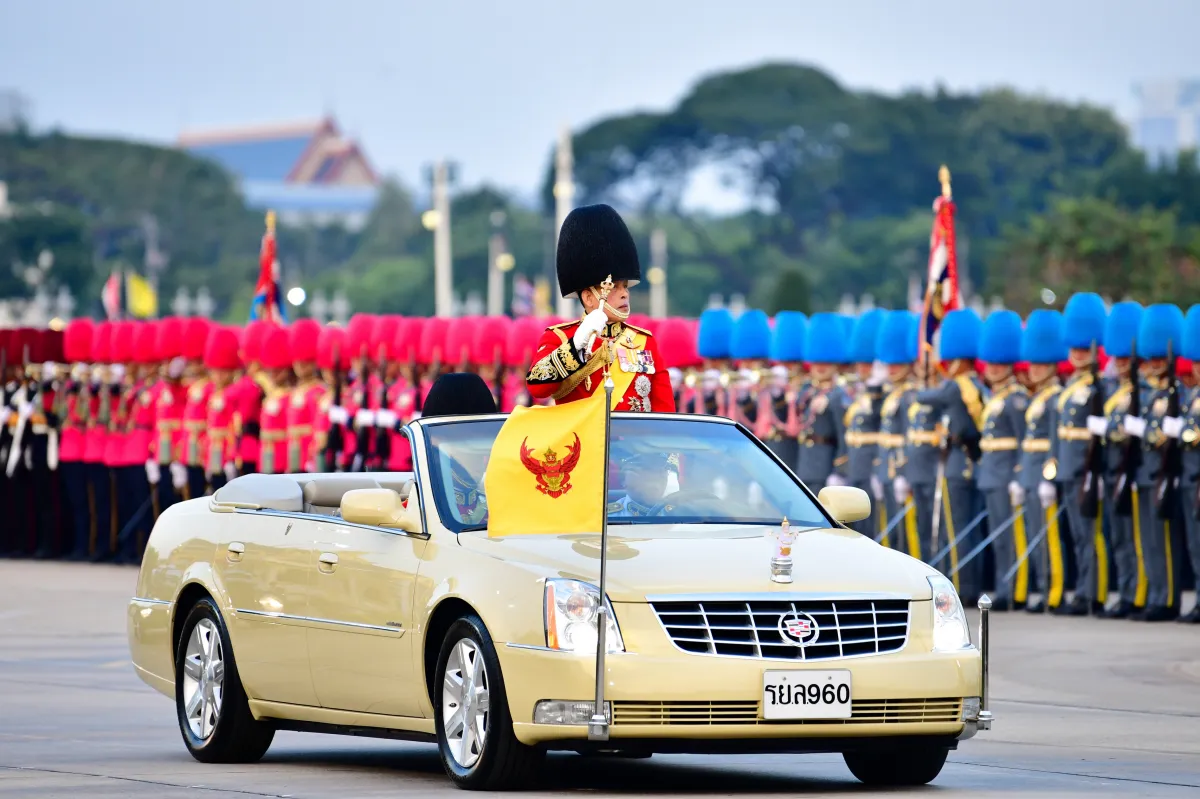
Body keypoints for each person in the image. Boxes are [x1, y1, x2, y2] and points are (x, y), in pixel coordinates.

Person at [526, 204, 674, 412]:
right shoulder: (560, 338)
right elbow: (537, 386)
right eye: (613, 287)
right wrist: (577, 343)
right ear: (588, 297)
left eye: (625, 286)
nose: (624, 293)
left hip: (633, 444)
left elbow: (664, 413)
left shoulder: (645, 342)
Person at [913, 309, 988, 602]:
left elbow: (923, 398)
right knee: (967, 529)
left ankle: (962, 586)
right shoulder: (978, 385)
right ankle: (970, 584)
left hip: (956, 461)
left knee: (956, 531)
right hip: (974, 462)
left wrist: (930, 374)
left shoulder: (955, 385)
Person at [1126, 304, 1186, 621]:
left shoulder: (1177, 394)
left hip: (1165, 473)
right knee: (1149, 541)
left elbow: (1163, 434)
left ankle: (1169, 599)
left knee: (1165, 541)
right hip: (1146, 473)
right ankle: (1156, 594)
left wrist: (1146, 432)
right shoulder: (1151, 395)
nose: (1152, 365)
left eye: (1158, 360)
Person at [1054, 293, 1109, 616]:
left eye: (1081, 348)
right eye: (1073, 348)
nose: (1076, 354)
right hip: (1068, 468)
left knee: (1092, 535)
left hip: (1087, 469)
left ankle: (1095, 593)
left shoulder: (1098, 387)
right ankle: (1083, 591)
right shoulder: (1071, 386)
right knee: (1078, 536)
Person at [976, 310, 1030, 610]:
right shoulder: (994, 397)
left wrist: (1019, 477)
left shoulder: (1016, 398)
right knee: (999, 539)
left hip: (1007, 473)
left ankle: (1016, 590)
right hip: (991, 472)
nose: (994, 369)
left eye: (1000, 364)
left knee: (1012, 538)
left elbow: (1025, 441)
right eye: (992, 363)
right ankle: (1003, 586)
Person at [1099, 301, 1144, 619]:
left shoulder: (1140, 392)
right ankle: (1127, 591)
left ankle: (1138, 594)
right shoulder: (1115, 391)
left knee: (1135, 537)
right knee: (1119, 537)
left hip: (1133, 468)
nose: (1121, 363)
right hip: (1112, 469)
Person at [796, 312, 850, 492]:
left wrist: (840, 470)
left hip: (824, 466)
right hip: (803, 465)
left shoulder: (838, 395)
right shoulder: (807, 391)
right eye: (817, 361)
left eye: (826, 362)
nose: (820, 366)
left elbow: (843, 436)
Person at [608, 450, 678, 517]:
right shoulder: (606, 517)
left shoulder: (678, 513)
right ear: (623, 478)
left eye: (664, 469)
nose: (659, 476)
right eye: (648, 469)